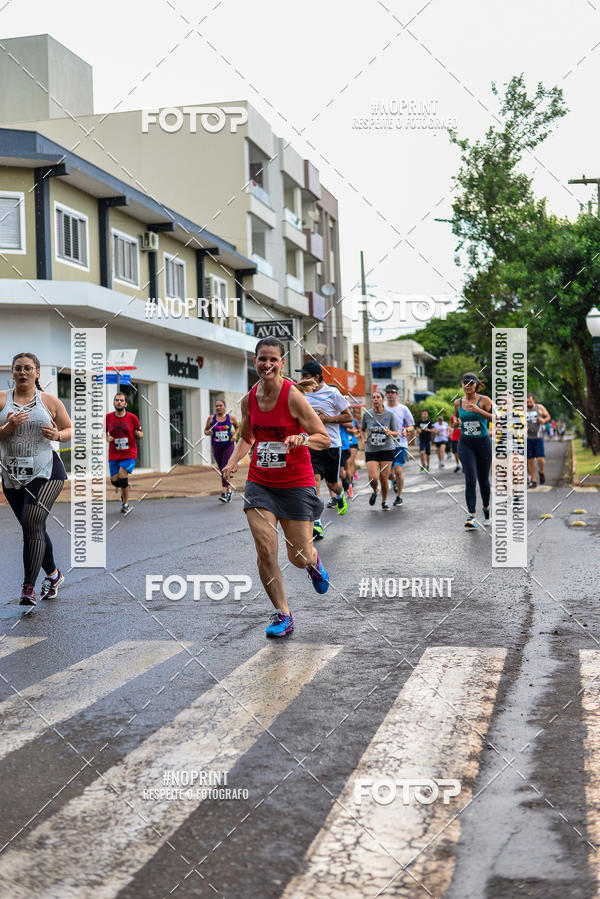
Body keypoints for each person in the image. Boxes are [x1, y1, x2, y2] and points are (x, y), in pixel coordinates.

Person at [222, 337, 331, 638]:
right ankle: (283, 613)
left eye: (273, 359)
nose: (267, 364)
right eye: (262, 359)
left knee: (298, 557)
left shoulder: (293, 397)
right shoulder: (248, 400)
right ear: (254, 361)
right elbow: (246, 438)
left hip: (296, 483)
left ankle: (313, 562)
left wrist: (303, 439)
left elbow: (324, 437)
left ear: (282, 363)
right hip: (261, 482)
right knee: (265, 548)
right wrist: (233, 462)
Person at [0, 352, 72, 606]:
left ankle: (28, 588)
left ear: (37, 372)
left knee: (32, 523)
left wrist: (58, 435)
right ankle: (54, 575)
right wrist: (7, 428)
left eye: (28, 368)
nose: (22, 372)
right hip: (12, 476)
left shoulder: (49, 401)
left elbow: (69, 428)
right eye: (18, 368)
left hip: (47, 472)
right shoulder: (2, 400)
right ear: (12, 372)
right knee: (33, 527)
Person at [295, 361, 353, 539]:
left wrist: (327, 420)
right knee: (314, 482)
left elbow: (348, 417)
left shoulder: (332, 393)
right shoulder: (301, 395)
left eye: (305, 375)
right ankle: (317, 523)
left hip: (331, 445)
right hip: (312, 443)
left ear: (316, 377)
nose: (302, 378)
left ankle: (340, 493)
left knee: (332, 484)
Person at [454, 373, 493, 528]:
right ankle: (471, 516)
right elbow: (456, 419)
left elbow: (496, 418)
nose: (467, 386)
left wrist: (479, 411)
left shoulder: (485, 400)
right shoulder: (458, 402)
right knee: (470, 478)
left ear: (476, 384)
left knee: (483, 480)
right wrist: (456, 422)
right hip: (465, 443)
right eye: (465, 383)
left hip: (483, 443)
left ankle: (486, 509)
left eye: (471, 383)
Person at [105, 392, 143, 514]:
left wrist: (138, 434)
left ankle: (125, 504)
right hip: (114, 453)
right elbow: (103, 432)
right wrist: (106, 437)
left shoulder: (132, 418)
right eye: (117, 400)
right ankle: (125, 486)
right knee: (115, 481)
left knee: (122, 474)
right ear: (114, 402)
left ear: (125, 403)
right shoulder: (108, 417)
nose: (119, 402)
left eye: (121, 400)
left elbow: (141, 433)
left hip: (129, 453)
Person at [361, 391, 399, 511]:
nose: (375, 399)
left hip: (387, 449)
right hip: (371, 449)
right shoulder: (367, 414)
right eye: (373, 397)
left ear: (383, 400)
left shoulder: (390, 415)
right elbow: (362, 429)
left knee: (384, 477)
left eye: (378, 397)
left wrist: (390, 432)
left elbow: (396, 432)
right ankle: (375, 490)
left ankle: (384, 501)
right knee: (373, 477)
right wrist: (363, 439)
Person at [384, 383, 414, 507]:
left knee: (398, 470)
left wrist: (406, 430)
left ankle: (399, 496)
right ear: (386, 394)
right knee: (390, 474)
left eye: (393, 392)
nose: (391, 395)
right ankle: (395, 482)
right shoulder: (382, 407)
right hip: (386, 444)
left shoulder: (403, 408)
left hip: (400, 444)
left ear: (397, 395)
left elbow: (411, 425)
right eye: (388, 392)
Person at [204, 399, 239, 503]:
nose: (218, 407)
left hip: (228, 446)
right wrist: (208, 431)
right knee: (221, 469)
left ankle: (224, 492)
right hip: (216, 446)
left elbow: (237, 427)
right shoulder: (211, 418)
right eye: (216, 406)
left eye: (220, 405)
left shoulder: (230, 418)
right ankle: (229, 491)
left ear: (224, 407)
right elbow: (205, 431)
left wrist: (235, 435)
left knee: (225, 467)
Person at [526, 393, 551, 487]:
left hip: (538, 437)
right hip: (527, 438)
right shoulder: (522, 409)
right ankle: (534, 480)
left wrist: (544, 421)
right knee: (530, 460)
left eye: (530, 401)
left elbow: (548, 416)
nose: (529, 403)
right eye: (527, 402)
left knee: (540, 459)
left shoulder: (539, 407)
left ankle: (541, 472)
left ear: (534, 401)